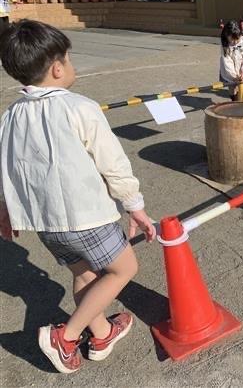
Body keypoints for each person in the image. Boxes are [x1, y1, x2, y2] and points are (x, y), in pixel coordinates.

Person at [0, 20, 156, 374]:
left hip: (46, 223)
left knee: (85, 274)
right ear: (57, 68)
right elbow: (112, 163)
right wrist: (135, 206)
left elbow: (6, 166)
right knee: (124, 268)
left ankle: (101, 334)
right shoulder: (80, 107)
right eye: (68, 59)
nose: (71, 66)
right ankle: (66, 337)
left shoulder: (11, 115)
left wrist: (6, 207)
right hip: (87, 215)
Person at [219, 20, 243, 101]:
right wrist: (235, 76)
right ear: (226, 36)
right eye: (232, 40)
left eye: (237, 39)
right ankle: (234, 100)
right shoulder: (225, 46)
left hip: (241, 66)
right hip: (229, 70)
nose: (235, 42)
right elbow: (227, 63)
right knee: (232, 86)